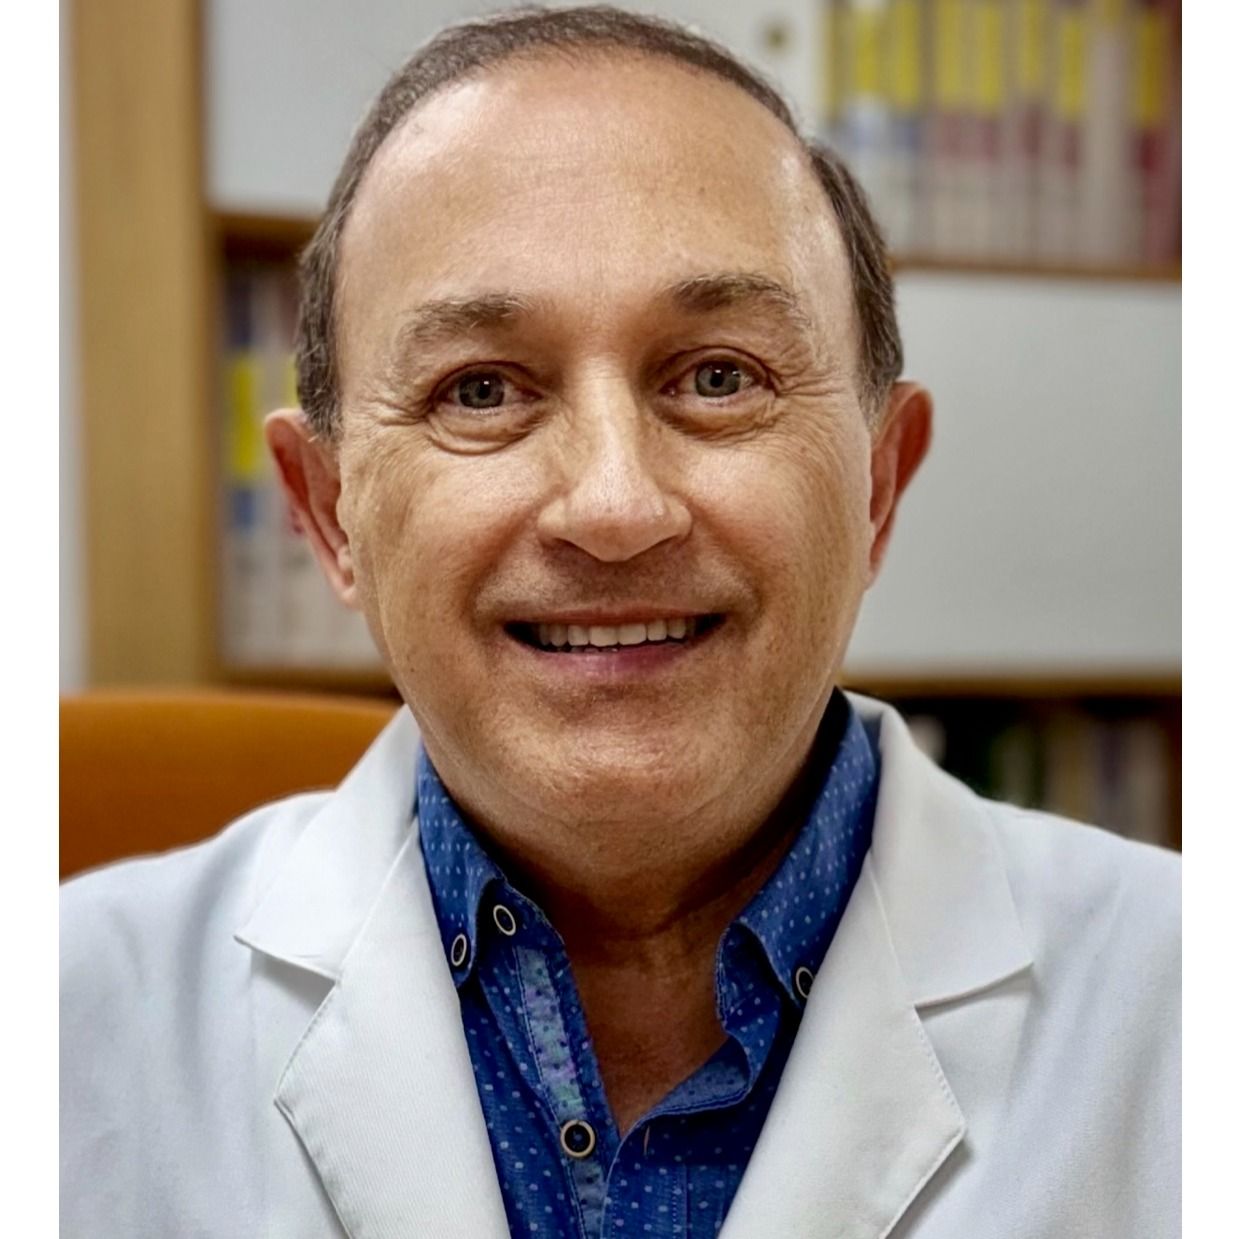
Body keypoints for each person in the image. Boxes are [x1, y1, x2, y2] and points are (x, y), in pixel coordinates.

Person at [60, 7, 1180, 1237]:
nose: (613, 506)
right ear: (331, 516)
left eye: (718, 378)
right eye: (480, 390)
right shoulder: (64, 1026)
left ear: (875, 486)